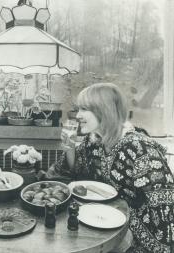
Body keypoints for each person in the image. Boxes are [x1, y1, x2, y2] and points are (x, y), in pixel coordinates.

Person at [46, 83, 174, 253]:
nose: (78, 115)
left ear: (103, 110)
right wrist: (69, 147)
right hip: (103, 223)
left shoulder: (141, 148)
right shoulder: (93, 141)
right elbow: (75, 175)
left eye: (84, 109)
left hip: (140, 239)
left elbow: (165, 207)